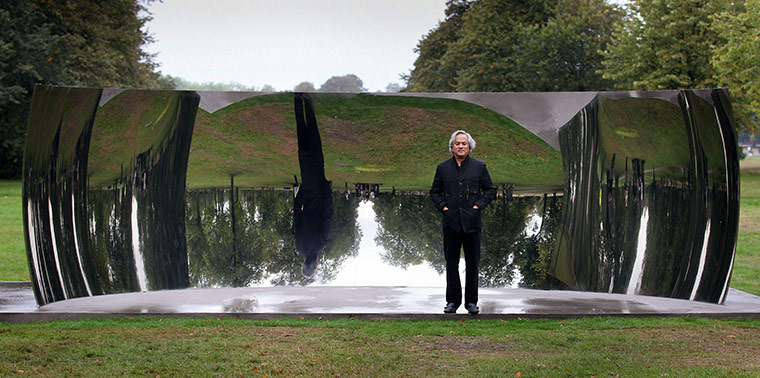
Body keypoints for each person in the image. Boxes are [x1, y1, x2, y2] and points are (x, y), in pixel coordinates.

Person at [429, 130, 497, 314]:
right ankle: (452, 301)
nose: (460, 146)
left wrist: (477, 207)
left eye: (464, 143)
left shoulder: (479, 166)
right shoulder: (442, 168)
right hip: (451, 223)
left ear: (469, 147)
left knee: (472, 264)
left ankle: (471, 302)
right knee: (451, 263)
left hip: (472, 223)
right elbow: (434, 192)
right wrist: (444, 207)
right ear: (452, 147)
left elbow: (490, 190)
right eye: (457, 143)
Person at [293, 93, 333, 278]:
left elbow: (327, 213)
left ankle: (307, 101)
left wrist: (327, 189)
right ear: (304, 263)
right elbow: (296, 212)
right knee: (301, 133)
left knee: (314, 138)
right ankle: (297, 99)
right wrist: (301, 190)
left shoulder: (320, 243)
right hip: (307, 184)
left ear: (315, 264)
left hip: (318, 185)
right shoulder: (299, 245)